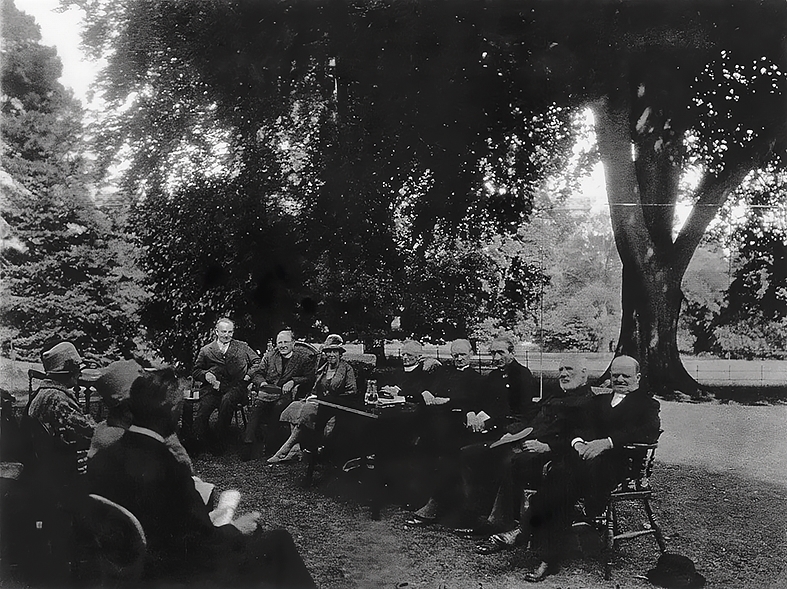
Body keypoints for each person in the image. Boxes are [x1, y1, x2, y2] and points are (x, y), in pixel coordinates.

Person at [87, 364, 317, 588]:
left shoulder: (104, 455)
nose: (180, 412)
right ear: (168, 409)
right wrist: (237, 527)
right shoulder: (169, 466)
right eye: (179, 405)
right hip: (180, 573)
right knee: (278, 540)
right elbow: (202, 542)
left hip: (130, 566)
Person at [520, 355, 660, 582]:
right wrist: (579, 443)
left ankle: (529, 533)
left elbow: (648, 432)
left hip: (621, 468)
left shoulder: (647, 404)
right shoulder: (600, 402)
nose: (620, 379)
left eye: (626, 375)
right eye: (616, 375)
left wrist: (607, 443)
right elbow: (578, 428)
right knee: (561, 477)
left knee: (561, 479)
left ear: (638, 377)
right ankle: (547, 556)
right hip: (587, 463)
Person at [473, 356, 594, 552]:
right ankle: (488, 517)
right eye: (561, 369)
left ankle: (507, 525)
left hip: (554, 454)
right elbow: (530, 416)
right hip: (527, 439)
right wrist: (512, 432)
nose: (563, 374)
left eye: (569, 369)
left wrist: (547, 447)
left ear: (584, 373)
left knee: (512, 460)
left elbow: (580, 437)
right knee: (481, 452)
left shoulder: (588, 402)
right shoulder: (555, 394)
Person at [405, 339, 491, 526]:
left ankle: (437, 502)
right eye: (455, 355)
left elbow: (473, 402)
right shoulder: (444, 371)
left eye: (462, 355)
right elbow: (422, 383)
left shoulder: (477, 378)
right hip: (435, 421)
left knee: (444, 448)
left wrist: (449, 401)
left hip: (458, 425)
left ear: (472, 354)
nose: (458, 359)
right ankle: (420, 495)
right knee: (419, 444)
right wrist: (426, 392)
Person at [270, 334, 356, 464]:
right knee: (295, 406)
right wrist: (312, 396)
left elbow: (352, 391)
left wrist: (332, 398)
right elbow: (316, 388)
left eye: (334, 352)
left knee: (307, 411)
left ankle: (287, 449)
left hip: (336, 405)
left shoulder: (347, 369)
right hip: (320, 401)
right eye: (328, 352)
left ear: (340, 354)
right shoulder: (323, 369)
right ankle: (297, 448)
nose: (331, 355)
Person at [242, 330, 316, 460]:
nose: (282, 345)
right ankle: (248, 445)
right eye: (279, 342)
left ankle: (271, 444)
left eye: (286, 342)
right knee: (256, 408)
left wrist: (294, 381)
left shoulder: (303, 359)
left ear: (293, 343)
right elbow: (258, 373)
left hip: (286, 396)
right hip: (268, 393)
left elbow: (310, 377)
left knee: (278, 407)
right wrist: (263, 382)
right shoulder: (270, 356)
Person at [192, 318, 260, 455]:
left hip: (236, 386)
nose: (227, 335)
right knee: (203, 412)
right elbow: (196, 370)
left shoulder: (242, 347)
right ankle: (203, 441)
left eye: (230, 332)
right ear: (216, 332)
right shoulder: (206, 350)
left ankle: (220, 442)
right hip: (212, 388)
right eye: (223, 332)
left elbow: (257, 362)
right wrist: (206, 375)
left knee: (227, 401)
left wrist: (247, 376)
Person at [379, 339, 440, 404]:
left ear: (418, 357)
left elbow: (421, 391)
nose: (405, 357)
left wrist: (398, 392)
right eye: (403, 354)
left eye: (409, 355)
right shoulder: (398, 371)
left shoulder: (425, 372)